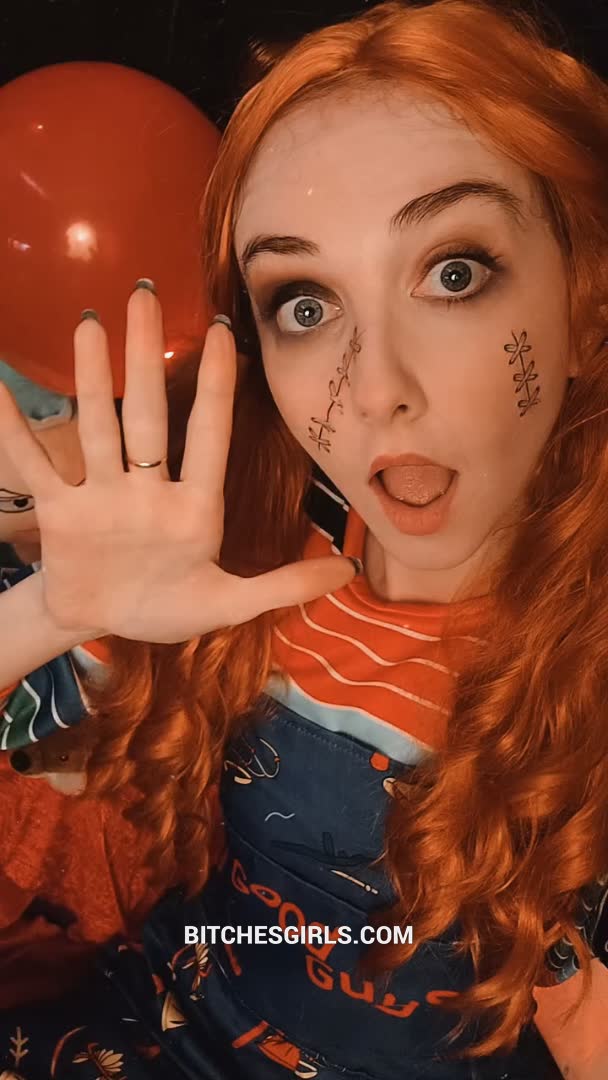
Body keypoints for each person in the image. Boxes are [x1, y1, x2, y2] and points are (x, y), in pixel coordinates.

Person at [0, 0, 607, 1076]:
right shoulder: (239, 567)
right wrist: (48, 612)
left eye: (453, 272)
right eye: (304, 303)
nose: (374, 389)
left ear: (584, 306)